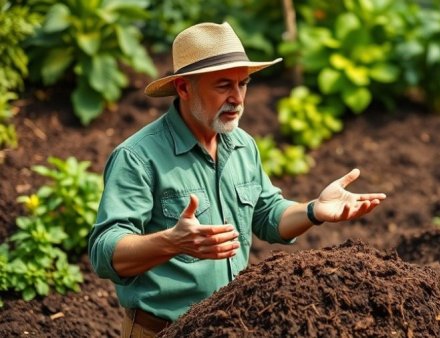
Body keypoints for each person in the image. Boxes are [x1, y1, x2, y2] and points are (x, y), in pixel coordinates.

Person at [88, 22, 386, 338]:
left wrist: (314, 210)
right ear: (184, 87)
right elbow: (104, 252)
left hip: (230, 328)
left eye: (243, 84)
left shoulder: (242, 145)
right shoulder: (138, 156)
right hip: (164, 331)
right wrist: (173, 242)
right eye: (222, 86)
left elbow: (267, 214)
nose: (237, 98)